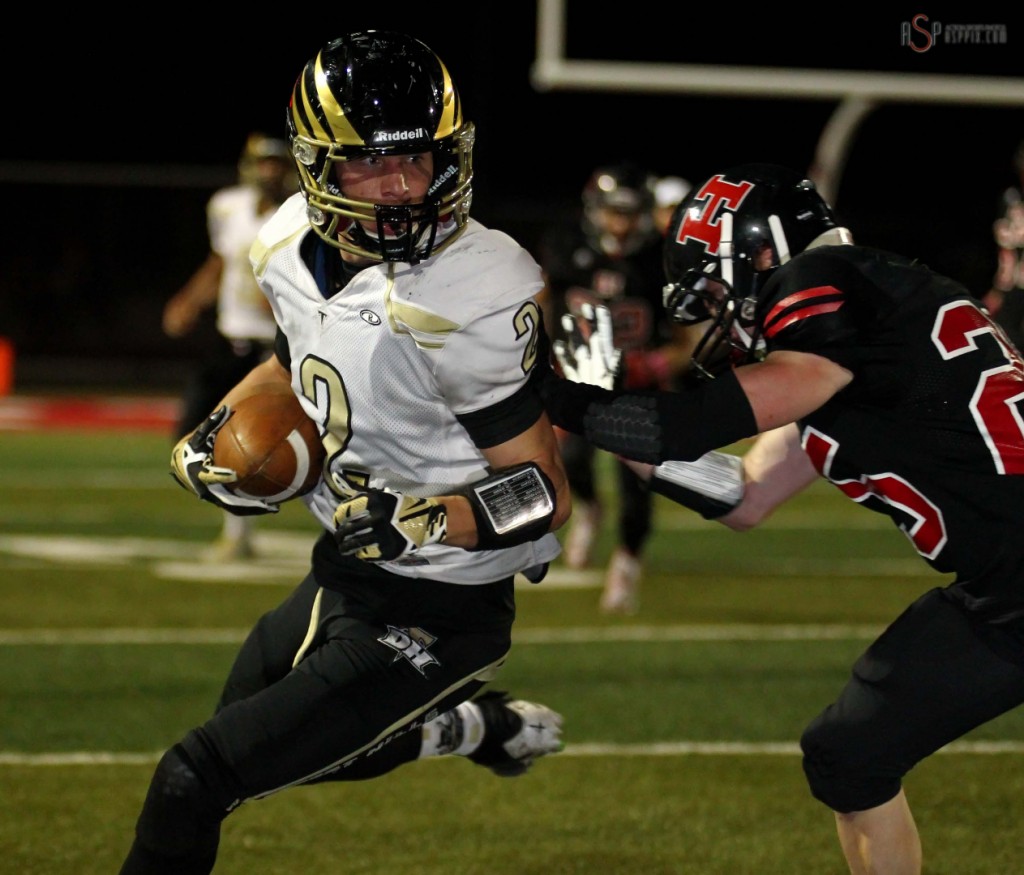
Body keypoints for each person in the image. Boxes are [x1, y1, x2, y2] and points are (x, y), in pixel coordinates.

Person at [119, 31, 569, 874]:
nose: (404, 186)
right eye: (372, 164)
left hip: (444, 604)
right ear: (317, 165)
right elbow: (293, 357)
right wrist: (220, 432)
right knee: (282, 749)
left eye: (422, 159)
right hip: (344, 569)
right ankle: (470, 726)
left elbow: (543, 491)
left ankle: (456, 710)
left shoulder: (472, 291)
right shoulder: (287, 243)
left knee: (194, 775)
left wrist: (430, 519)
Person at [544, 163, 1024, 875]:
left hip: (1013, 582)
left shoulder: (822, 282)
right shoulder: (867, 335)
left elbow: (693, 425)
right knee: (848, 753)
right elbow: (741, 494)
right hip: (1001, 589)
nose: (716, 314)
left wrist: (560, 398)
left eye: (715, 288)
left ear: (763, 253)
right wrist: (606, 415)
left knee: (854, 752)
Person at [536, 162, 693, 614]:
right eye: (614, 212)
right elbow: (541, 305)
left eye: (630, 213)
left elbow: (688, 341)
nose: (621, 224)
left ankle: (626, 561)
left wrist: (659, 362)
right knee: (570, 461)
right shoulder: (567, 247)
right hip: (580, 379)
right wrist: (547, 358)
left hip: (638, 390)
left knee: (637, 485)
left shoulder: (661, 260)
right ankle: (589, 508)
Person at [162, 133, 296, 561]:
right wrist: (189, 299)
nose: (270, 172)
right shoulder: (227, 206)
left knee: (260, 439)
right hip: (230, 340)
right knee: (197, 429)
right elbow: (219, 260)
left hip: (275, 348)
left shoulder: (298, 215)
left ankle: (240, 534)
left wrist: (280, 299)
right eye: (264, 163)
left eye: (277, 164)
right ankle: (238, 529)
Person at [982, 140, 1024, 353]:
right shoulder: (1011, 199)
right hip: (1012, 287)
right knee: (1005, 344)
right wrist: (998, 290)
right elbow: (1005, 247)